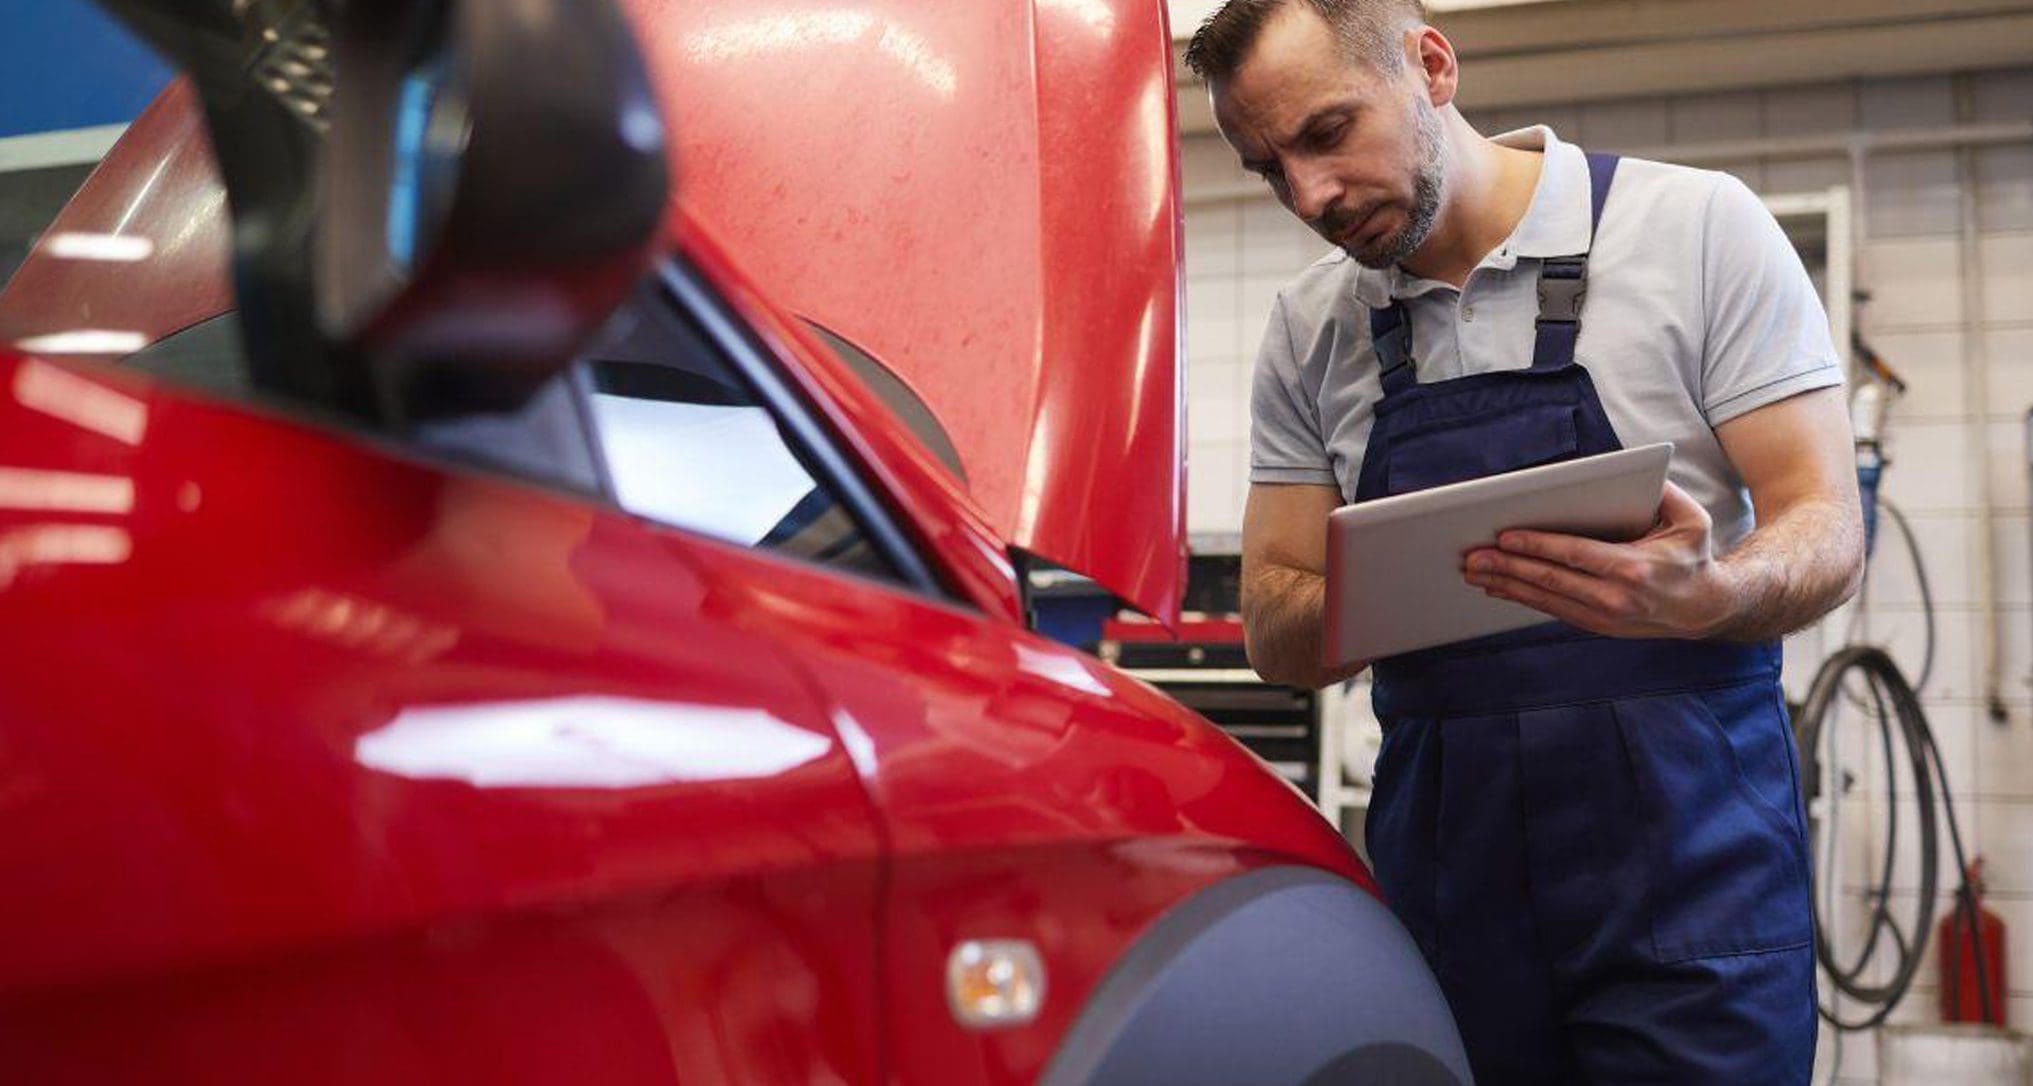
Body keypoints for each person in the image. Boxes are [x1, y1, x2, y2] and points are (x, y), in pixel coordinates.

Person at [1185, 2, 1864, 1083]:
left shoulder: (1694, 229)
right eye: (1267, 168)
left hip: (1693, 885)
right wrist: (1396, 586)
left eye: (1324, 134)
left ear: (1432, 65)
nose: (1308, 197)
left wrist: (1716, 593)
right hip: (1453, 898)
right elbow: (1275, 630)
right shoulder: (1311, 328)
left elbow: (1824, 526)